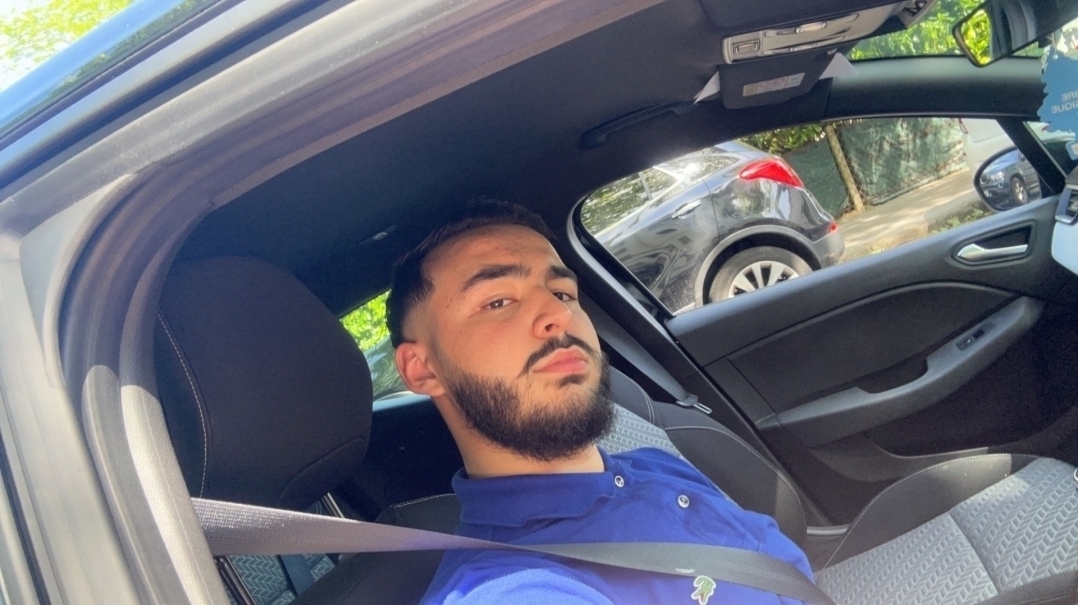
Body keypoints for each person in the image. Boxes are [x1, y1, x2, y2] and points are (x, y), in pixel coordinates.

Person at [387, 200, 814, 604]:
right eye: (498, 301)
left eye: (562, 293)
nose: (558, 315)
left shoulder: (655, 462)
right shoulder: (511, 587)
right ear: (422, 369)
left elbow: (781, 562)